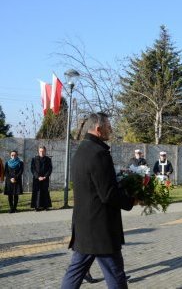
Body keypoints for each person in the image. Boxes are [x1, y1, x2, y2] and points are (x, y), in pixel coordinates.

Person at [61, 112, 137, 289]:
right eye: (108, 126)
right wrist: (131, 200)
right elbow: (107, 193)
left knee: (75, 271)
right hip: (100, 227)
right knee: (115, 273)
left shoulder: (81, 150)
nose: (110, 130)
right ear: (98, 128)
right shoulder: (98, 153)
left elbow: (95, 186)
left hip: (84, 224)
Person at [30, 146, 53, 211]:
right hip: (36, 179)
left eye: (43, 151)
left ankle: (46, 206)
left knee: (45, 192)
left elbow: (50, 169)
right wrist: (38, 177)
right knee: (37, 192)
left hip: (45, 179)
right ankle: (37, 207)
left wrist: (45, 176)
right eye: (40, 151)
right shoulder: (34, 159)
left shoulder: (48, 159)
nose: (42, 152)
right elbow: (32, 169)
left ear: (45, 151)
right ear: (38, 151)